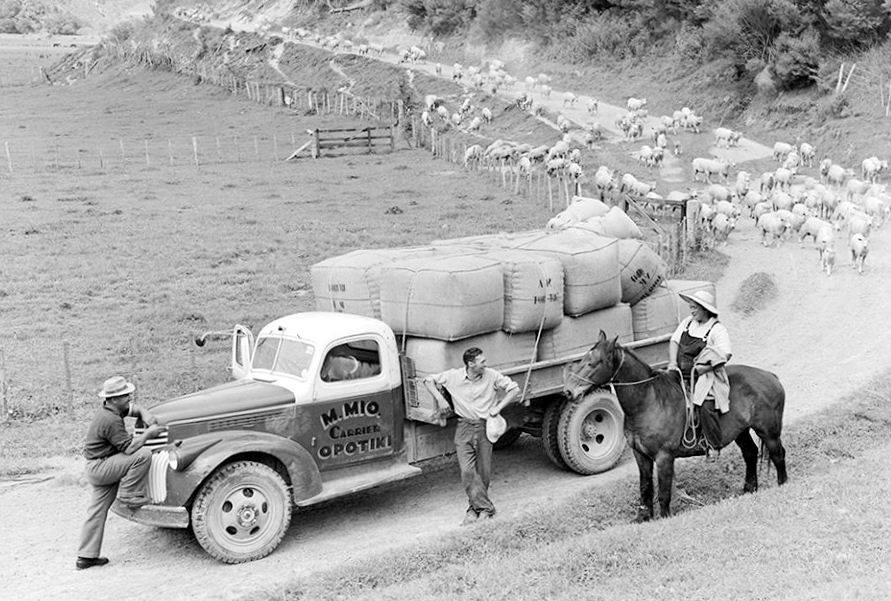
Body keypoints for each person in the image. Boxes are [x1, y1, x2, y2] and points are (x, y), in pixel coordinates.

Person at [424, 347, 521, 526]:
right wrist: (440, 399)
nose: (485, 364)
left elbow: (514, 389)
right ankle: (486, 508)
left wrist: (498, 408)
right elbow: (428, 380)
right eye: (481, 362)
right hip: (464, 426)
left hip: (485, 426)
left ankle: (474, 509)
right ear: (470, 364)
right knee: (467, 471)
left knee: (483, 471)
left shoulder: (492, 375)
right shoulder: (453, 376)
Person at [76, 376, 162, 570]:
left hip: (96, 466)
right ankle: (129, 494)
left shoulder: (111, 409)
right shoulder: (110, 419)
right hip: (100, 467)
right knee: (143, 454)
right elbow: (130, 449)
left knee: (96, 511)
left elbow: (135, 408)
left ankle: (86, 556)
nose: (129, 398)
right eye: (125, 396)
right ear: (114, 399)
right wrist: (149, 433)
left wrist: (146, 415)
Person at [667, 290, 732, 461]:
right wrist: (673, 363)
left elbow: (725, 354)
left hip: (706, 377)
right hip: (681, 375)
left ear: (705, 309)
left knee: (705, 405)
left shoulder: (717, 329)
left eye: (695, 308)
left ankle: (713, 446)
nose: (692, 311)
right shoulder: (688, 323)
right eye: (691, 307)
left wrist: (707, 368)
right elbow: (674, 341)